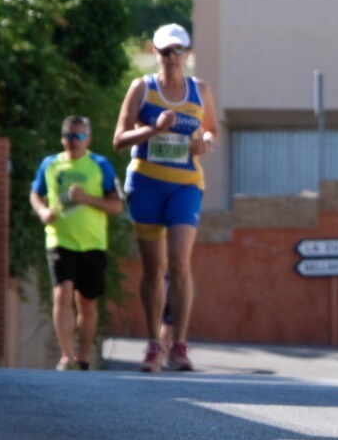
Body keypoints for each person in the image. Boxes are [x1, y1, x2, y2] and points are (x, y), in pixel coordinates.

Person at [114, 23, 217, 373]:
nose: (171, 57)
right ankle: (153, 344)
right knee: (153, 268)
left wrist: (206, 142)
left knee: (178, 263)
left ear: (187, 54)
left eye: (177, 51)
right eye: (164, 51)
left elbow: (212, 129)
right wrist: (153, 130)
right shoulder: (142, 88)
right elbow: (119, 138)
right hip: (145, 184)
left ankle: (180, 346)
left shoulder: (199, 90)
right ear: (155, 53)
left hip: (185, 186)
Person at [28, 116, 125, 370]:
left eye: (80, 136)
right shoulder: (50, 165)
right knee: (62, 293)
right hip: (60, 239)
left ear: (88, 139)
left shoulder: (100, 165)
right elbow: (35, 194)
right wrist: (42, 212)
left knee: (88, 304)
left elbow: (117, 205)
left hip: (92, 243)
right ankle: (66, 355)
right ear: (62, 138)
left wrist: (86, 199)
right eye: (70, 136)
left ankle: (83, 357)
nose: (74, 141)